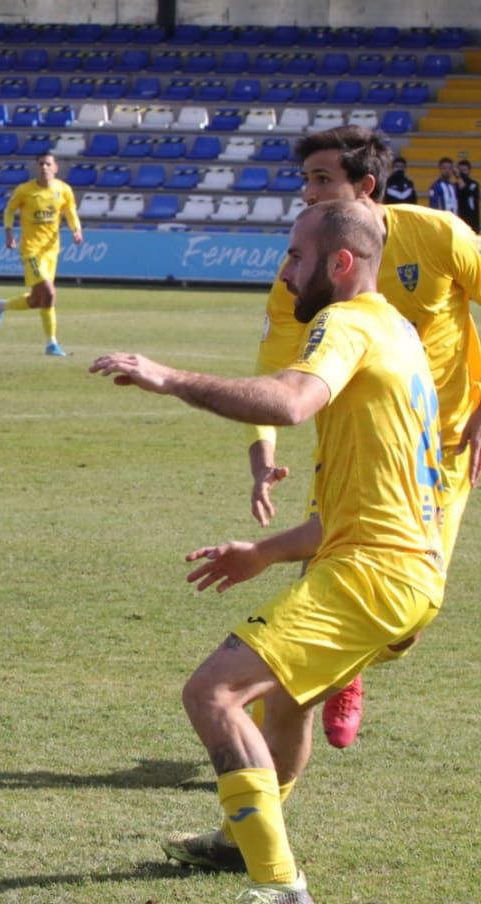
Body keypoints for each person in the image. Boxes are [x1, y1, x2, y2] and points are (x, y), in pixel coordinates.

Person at [93, 199, 444, 904]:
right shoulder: (398, 332)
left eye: (295, 256)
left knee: (213, 692)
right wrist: (264, 551)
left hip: (374, 576)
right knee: (285, 703)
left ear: (340, 263)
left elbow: (288, 402)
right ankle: (239, 840)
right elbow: (360, 507)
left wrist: (169, 378)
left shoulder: (343, 323)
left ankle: (282, 890)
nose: (285, 271)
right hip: (406, 570)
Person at [241, 126, 481, 755]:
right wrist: (262, 455)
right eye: (306, 179)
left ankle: (350, 667)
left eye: (322, 180)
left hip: (444, 452)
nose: (307, 192)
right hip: (357, 452)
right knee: (336, 572)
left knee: (404, 613)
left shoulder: (438, 236)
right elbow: (276, 373)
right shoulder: (306, 265)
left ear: (363, 188)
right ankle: (329, 682)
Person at [0, 151, 82, 357]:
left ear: (56, 167)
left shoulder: (63, 190)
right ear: (36, 166)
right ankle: (51, 344)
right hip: (31, 249)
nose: (44, 168)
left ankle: (0, 306)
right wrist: (8, 233)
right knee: (49, 292)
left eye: (48, 164)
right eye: (41, 164)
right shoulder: (25, 190)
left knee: (36, 300)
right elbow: (9, 210)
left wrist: (76, 229)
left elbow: (70, 211)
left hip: (51, 250)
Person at [456, 158, 479, 232]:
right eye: (460, 170)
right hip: (460, 218)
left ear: (469, 171)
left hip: (472, 219)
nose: (463, 173)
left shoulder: (474, 184)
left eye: (465, 170)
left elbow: (465, 191)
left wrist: (458, 177)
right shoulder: (455, 185)